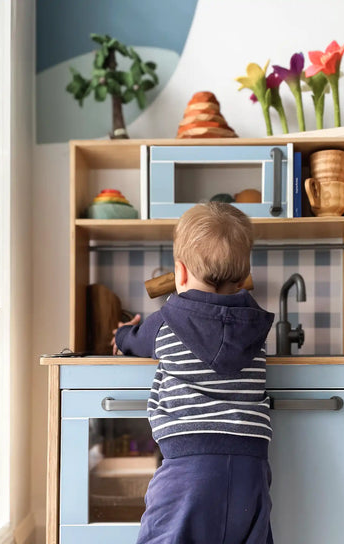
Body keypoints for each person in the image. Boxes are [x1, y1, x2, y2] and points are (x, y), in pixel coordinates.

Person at [112, 202, 275, 544]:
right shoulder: (256, 324)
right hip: (251, 470)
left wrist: (122, 334)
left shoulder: (167, 321)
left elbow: (134, 342)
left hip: (188, 468)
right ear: (244, 274)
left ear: (181, 273)